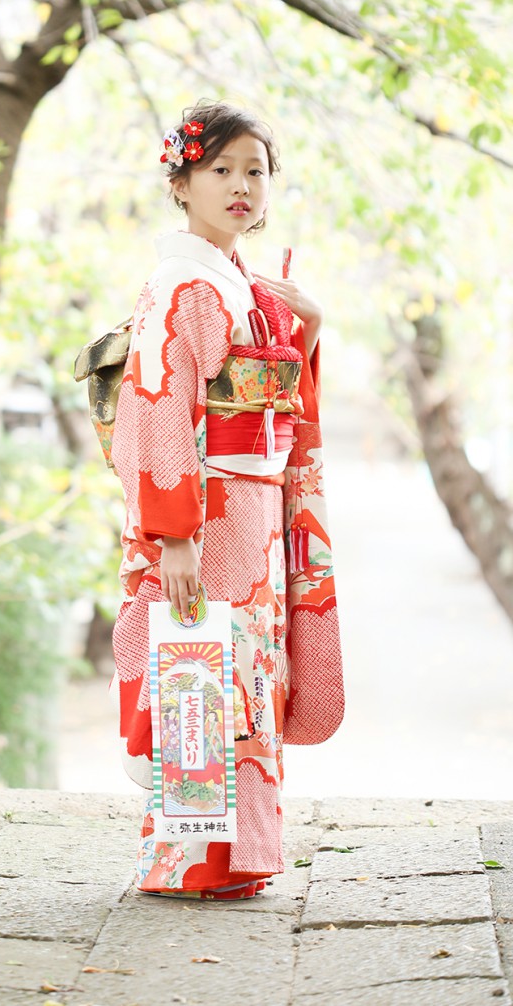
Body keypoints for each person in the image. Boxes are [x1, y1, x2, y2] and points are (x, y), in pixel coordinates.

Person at [110, 100, 344, 899]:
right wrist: (169, 533)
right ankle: (189, 860)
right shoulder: (185, 283)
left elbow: (270, 399)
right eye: (220, 170)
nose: (241, 185)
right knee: (196, 669)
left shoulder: (235, 277)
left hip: (248, 514)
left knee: (237, 675)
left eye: (255, 170)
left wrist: (306, 327)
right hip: (203, 516)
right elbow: (156, 404)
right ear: (181, 182)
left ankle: (230, 861)